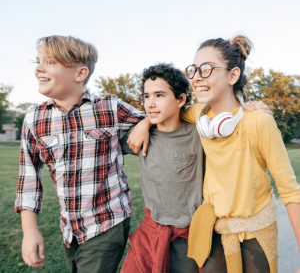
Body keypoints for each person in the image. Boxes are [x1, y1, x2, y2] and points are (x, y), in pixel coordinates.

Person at [14, 35, 146, 273]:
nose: (39, 69)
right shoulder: (34, 118)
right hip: (70, 227)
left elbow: (162, 119)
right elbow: (29, 178)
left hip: (108, 221)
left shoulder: (109, 107)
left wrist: (145, 123)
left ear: (80, 73)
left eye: (50, 62)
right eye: (38, 62)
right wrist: (29, 230)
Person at [180, 35, 300, 273]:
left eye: (206, 69)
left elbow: (290, 190)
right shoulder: (199, 116)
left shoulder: (258, 122)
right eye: (193, 70)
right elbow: (171, 109)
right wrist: (143, 125)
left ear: (232, 76)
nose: (195, 78)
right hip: (215, 232)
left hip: (256, 232)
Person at [120, 64, 202, 273]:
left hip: (190, 237)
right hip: (152, 232)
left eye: (159, 95)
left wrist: (255, 107)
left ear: (181, 100)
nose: (150, 103)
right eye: (146, 96)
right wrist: (145, 124)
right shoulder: (139, 137)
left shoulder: (199, 134)